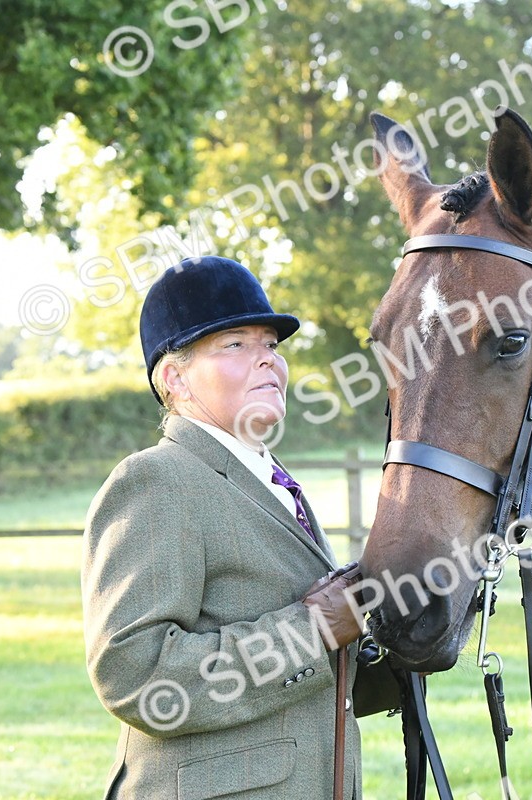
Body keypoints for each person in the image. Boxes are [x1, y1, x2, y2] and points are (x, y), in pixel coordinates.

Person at [81, 256, 395, 799]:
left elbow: (301, 678)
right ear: (174, 378)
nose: (267, 362)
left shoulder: (266, 479)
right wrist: (312, 629)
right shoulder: (157, 479)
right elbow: (135, 676)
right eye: (236, 345)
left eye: (271, 345)